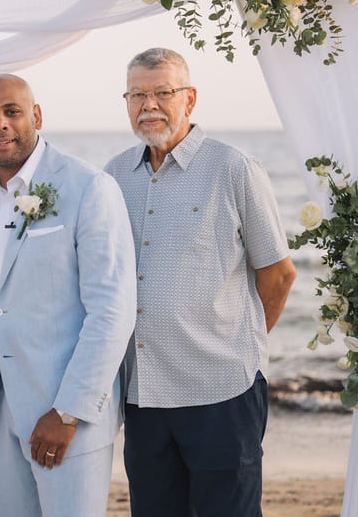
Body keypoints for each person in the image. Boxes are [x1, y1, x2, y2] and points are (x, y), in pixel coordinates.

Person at [104, 48, 298, 517]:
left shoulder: (234, 168)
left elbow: (279, 273)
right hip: (143, 395)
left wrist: (236, 344)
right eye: (137, 94)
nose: (149, 105)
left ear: (189, 100)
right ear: (126, 102)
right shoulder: (111, 177)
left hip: (221, 392)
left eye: (162, 93)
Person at [0, 73, 138, 516]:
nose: (1, 124)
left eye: (12, 112)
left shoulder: (89, 188)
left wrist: (69, 412)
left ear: (36, 115)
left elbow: (112, 312)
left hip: (67, 419)